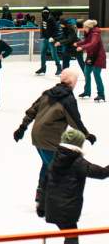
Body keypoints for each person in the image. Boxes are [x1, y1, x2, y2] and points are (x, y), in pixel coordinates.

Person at [13, 69, 96, 215]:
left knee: (47, 165)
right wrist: (87, 134)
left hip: (37, 136)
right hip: (50, 139)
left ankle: (40, 194)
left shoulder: (48, 92)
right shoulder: (68, 99)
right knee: (57, 169)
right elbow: (75, 120)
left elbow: (32, 110)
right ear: (72, 82)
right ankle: (47, 202)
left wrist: (22, 128)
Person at [41, 129, 109, 243]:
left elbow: (44, 182)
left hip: (53, 207)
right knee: (72, 238)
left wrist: (41, 205)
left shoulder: (55, 159)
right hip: (67, 210)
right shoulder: (77, 162)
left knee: (71, 236)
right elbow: (101, 173)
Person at [75, 20, 106, 102]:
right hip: (91, 56)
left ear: (89, 27)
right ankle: (87, 92)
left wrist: (82, 47)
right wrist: (78, 43)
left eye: (84, 27)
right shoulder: (89, 33)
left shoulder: (95, 34)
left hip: (98, 56)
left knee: (96, 74)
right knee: (86, 72)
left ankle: (101, 94)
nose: (83, 28)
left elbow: (93, 43)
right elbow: (87, 41)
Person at [36, 7, 63, 76]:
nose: (45, 14)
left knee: (54, 54)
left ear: (48, 13)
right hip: (45, 39)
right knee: (43, 53)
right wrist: (42, 36)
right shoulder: (43, 19)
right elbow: (43, 29)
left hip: (51, 40)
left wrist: (53, 37)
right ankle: (43, 68)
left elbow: (56, 30)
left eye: (46, 12)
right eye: (44, 12)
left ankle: (59, 68)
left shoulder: (52, 19)